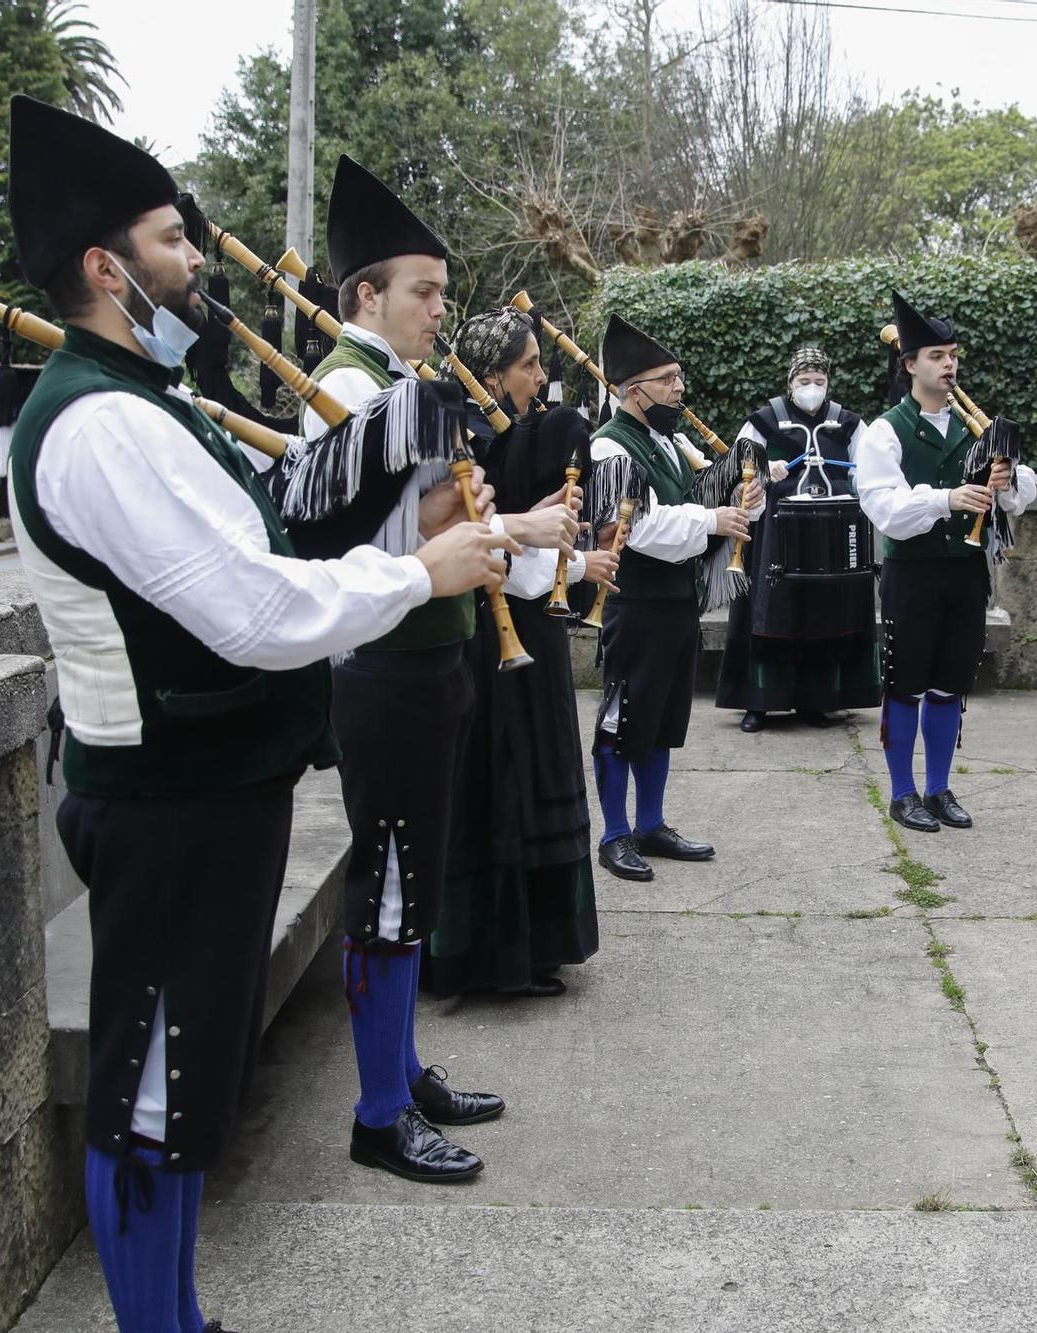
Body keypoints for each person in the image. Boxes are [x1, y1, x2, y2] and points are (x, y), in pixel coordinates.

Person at [3, 96, 510, 1330]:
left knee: (185, 1085)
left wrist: (414, 533)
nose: (199, 261)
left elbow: (271, 535)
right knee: (150, 1085)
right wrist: (416, 573)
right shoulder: (101, 423)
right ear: (104, 268)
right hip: (165, 804)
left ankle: (177, 1313)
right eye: (175, 241)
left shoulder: (147, 403)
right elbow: (247, 607)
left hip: (212, 796)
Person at [294, 156, 576, 1182]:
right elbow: (362, 536)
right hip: (385, 668)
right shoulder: (339, 386)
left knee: (408, 883)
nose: (436, 310)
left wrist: (481, 510)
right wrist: (510, 519)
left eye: (441, 293)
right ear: (364, 292)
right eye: (421, 291)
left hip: (431, 659)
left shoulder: (397, 384)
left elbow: (426, 514)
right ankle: (377, 1115)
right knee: (388, 885)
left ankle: (400, 1068)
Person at [425, 308, 619, 999]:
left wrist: (571, 554)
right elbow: (497, 543)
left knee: (533, 780)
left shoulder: (517, 433)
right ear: (491, 376)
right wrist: (546, 540)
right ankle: (493, 956)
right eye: (527, 365)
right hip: (488, 635)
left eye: (539, 362)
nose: (540, 378)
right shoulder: (471, 439)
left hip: (529, 628)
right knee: (497, 789)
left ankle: (534, 944)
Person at [584, 314, 764, 882]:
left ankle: (651, 823)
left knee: (661, 719)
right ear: (635, 391)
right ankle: (614, 833)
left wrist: (743, 492)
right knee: (622, 718)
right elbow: (636, 528)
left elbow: (698, 496)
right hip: (634, 605)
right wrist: (714, 517)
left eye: (677, 377)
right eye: (667, 380)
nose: (678, 389)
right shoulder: (609, 448)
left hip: (674, 605)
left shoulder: (665, 439)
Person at [856, 292, 1037, 834]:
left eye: (953, 354)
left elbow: (1022, 491)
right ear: (910, 364)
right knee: (905, 683)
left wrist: (1004, 485)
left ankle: (938, 788)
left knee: (949, 685)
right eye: (936, 355)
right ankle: (902, 793)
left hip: (965, 573)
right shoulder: (885, 430)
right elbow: (884, 507)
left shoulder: (974, 429)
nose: (949, 363)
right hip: (912, 574)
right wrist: (945, 498)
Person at [716, 346, 880, 732]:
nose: (812, 388)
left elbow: (871, 474)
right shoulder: (764, 421)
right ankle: (757, 701)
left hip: (830, 535)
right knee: (770, 609)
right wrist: (758, 471)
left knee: (825, 610)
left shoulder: (849, 424)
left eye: (819, 382)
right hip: (774, 535)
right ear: (791, 384)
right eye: (804, 381)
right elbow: (736, 472)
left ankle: (818, 700)